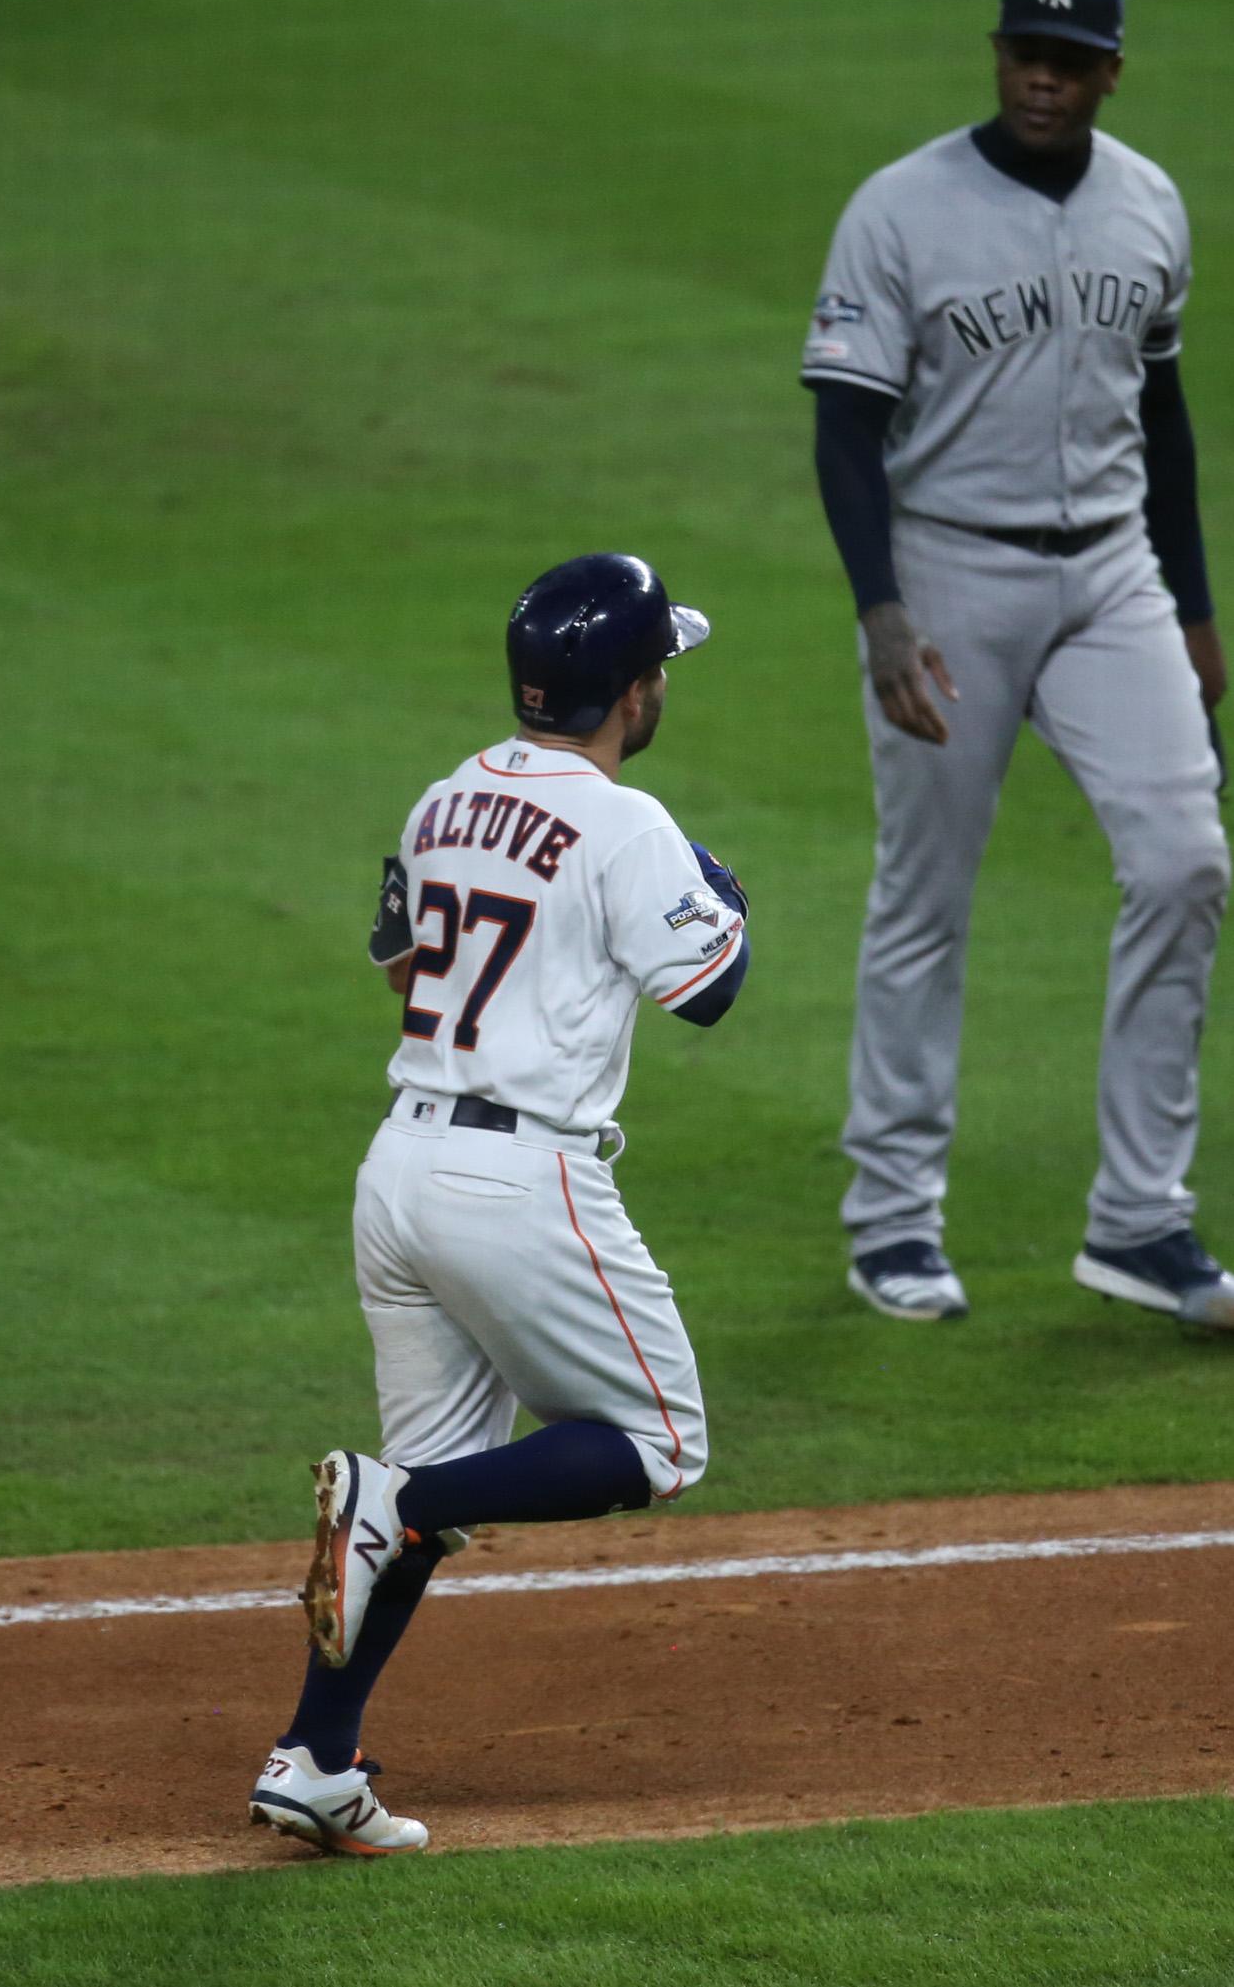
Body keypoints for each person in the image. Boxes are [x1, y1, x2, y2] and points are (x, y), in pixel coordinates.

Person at [247, 552, 751, 1855]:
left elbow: (404, 961)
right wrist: (726, 895)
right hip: (515, 1179)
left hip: (400, 1166)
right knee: (661, 1441)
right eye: (658, 672)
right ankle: (387, 1507)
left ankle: (315, 1754)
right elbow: (706, 990)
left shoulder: (442, 799)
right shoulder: (630, 825)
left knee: (436, 1484)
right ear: (629, 694)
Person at [801, 0, 1234, 1337]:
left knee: (1186, 860)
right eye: (1024, 52)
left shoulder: (1151, 202)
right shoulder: (900, 210)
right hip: (948, 574)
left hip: (1114, 578)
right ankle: (891, 1224)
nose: (1043, 76)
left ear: (1112, 70)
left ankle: (1140, 1222)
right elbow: (842, 422)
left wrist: (1193, 606)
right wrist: (882, 609)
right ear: (995, 55)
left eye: (1070, 57)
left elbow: (1162, 414)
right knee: (926, 894)